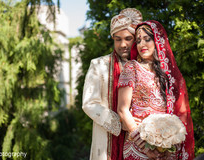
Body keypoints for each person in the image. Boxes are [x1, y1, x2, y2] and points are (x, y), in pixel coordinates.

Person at [117, 20, 195, 160]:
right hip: (138, 146)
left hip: (166, 147)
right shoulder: (132, 68)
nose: (142, 44)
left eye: (147, 39)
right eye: (139, 40)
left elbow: (179, 112)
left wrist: (170, 145)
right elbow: (122, 109)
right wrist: (145, 146)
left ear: (158, 41)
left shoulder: (169, 75)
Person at [82, 8, 142, 160]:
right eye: (118, 39)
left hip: (139, 141)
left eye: (128, 38)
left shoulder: (145, 67)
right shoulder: (98, 65)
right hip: (107, 140)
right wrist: (119, 122)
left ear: (135, 39)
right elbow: (89, 103)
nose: (123, 44)